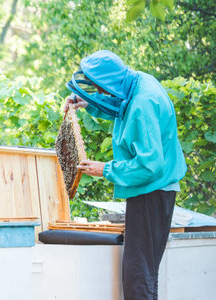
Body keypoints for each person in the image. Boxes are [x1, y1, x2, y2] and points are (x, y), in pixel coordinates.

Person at [64, 50, 187, 300]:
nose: (100, 92)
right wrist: (87, 102)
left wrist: (105, 169)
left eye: (101, 88)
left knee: (138, 276)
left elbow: (149, 165)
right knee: (141, 274)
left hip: (152, 192)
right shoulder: (136, 81)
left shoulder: (143, 103)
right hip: (150, 191)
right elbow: (121, 106)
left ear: (111, 83)